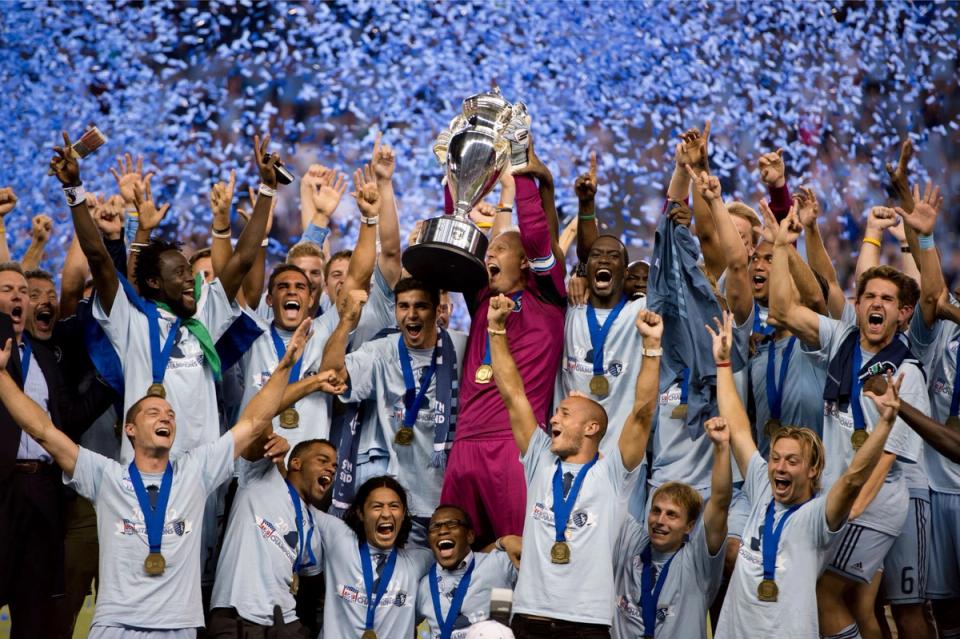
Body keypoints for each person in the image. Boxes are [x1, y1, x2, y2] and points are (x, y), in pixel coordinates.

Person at [0, 314, 311, 637]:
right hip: (115, 626)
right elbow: (42, 430)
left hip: (178, 627)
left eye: (170, 415)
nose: (166, 418)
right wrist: (1, 376)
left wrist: (285, 367)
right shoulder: (105, 476)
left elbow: (253, 423)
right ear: (130, 430)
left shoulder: (196, 472)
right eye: (154, 412)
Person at [50, 131, 278, 460]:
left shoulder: (203, 315)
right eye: (181, 273)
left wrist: (268, 189)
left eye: (190, 270)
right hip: (145, 472)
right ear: (155, 283)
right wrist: (74, 191)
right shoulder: (131, 321)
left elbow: (242, 259)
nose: (191, 279)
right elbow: (98, 259)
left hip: (202, 473)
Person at [768, 209, 929, 639]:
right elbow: (783, 310)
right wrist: (783, 247)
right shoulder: (840, 339)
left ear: (903, 313)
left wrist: (847, 512)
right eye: (868, 296)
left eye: (887, 300)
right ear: (858, 306)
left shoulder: (907, 374)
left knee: (822, 595)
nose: (875, 304)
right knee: (859, 604)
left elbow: (886, 460)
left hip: (870, 506)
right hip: (837, 496)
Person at [707, 311, 898, 639]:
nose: (779, 467)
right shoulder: (762, 485)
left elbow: (853, 477)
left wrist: (885, 427)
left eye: (792, 461)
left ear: (812, 470)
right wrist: (723, 365)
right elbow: (738, 427)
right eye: (776, 459)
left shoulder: (818, 516)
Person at [488, 292, 661, 637]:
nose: (553, 418)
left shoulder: (612, 473)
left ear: (591, 428)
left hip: (587, 622)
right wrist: (496, 330)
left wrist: (652, 349)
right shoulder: (539, 458)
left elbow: (641, 415)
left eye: (564, 414)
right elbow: (513, 395)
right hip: (529, 616)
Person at [440, 151, 567, 548]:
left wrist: (523, 177)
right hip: (465, 444)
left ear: (525, 262)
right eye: (489, 251)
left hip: (516, 446)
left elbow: (535, 235)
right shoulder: (481, 297)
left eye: (500, 250)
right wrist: (454, 181)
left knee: (518, 551)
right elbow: (455, 237)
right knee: (458, 554)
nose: (489, 254)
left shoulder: (549, 297)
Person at [321, 278, 467, 537]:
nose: (411, 314)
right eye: (403, 306)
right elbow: (331, 375)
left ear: (437, 310)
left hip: (445, 502)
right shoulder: (380, 351)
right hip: (396, 502)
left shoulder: (461, 347)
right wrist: (346, 322)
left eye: (420, 306)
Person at [612, 414, 731, 639]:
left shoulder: (698, 562)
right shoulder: (631, 542)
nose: (660, 520)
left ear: (689, 526)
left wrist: (722, 448)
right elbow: (603, 484)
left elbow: (721, 502)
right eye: (656, 511)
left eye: (672, 515)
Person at [209, 437, 340, 638]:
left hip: (285, 623)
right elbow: (259, 426)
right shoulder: (261, 479)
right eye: (322, 461)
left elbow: (310, 587)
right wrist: (272, 441)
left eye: (334, 466)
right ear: (296, 463)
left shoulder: (313, 525)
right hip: (238, 617)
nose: (331, 469)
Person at [311, 475, 434, 637]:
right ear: (360, 512)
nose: (386, 513)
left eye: (394, 506)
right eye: (377, 507)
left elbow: (465, 557)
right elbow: (294, 499)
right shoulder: (339, 537)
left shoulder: (420, 560)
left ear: (403, 513)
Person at [416, 504, 518, 638]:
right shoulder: (424, 585)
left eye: (452, 524)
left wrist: (505, 541)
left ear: (470, 536)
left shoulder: (498, 564)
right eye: (435, 526)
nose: (442, 531)